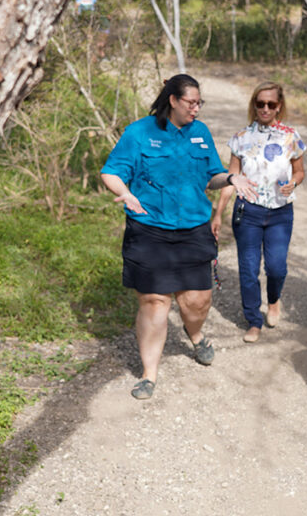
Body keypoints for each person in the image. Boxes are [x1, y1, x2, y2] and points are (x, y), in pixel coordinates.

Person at [101, 74, 256, 400]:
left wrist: (230, 177)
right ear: (172, 100)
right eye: (191, 103)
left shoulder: (199, 133)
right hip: (149, 228)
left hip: (193, 229)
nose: (196, 109)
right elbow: (111, 171)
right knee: (155, 301)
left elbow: (211, 175)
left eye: (200, 103)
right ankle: (149, 374)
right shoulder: (140, 132)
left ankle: (195, 334)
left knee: (196, 301)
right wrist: (126, 193)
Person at [212, 82, 306, 343]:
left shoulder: (290, 136)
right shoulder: (241, 138)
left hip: (280, 212)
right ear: (254, 105)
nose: (265, 108)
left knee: (276, 268)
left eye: (271, 104)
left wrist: (294, 183)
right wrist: (218, 213)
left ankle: (273, 301)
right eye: (260, 103)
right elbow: (233, 177)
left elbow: (299, 171)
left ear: (279, 106)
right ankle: (253, 320)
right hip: (248, 211)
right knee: (248, 269)